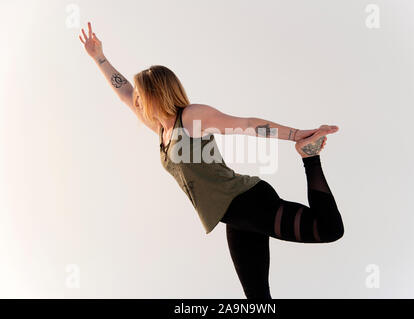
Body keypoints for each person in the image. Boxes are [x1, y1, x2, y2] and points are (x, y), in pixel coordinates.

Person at [79, 22, 344, 299]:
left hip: (249, 200)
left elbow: (247, 124)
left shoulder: (191, 117)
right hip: (235, 217)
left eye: (142, 96)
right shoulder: (162, 130)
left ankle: (309, 157)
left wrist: (297, 135)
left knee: (328, 229)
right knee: (257, 298)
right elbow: (125, 94)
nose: (137, 101)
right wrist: (99, 57)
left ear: (156, 95)